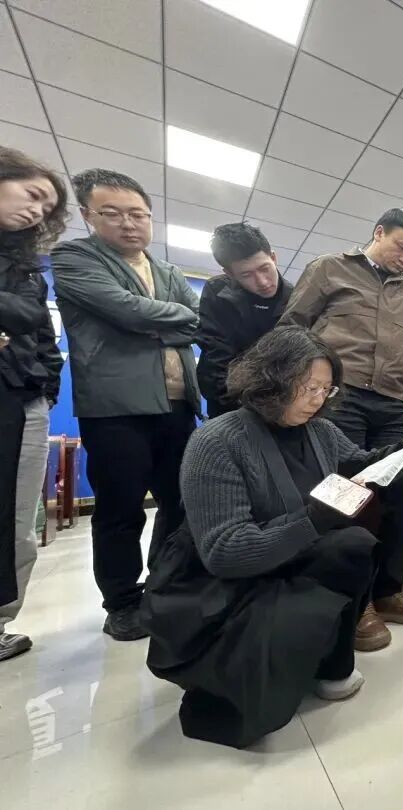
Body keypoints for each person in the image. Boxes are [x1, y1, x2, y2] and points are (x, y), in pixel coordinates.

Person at [143, 326, 403, 748]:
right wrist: (315, 519)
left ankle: (331, 663)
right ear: (272, 379)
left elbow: (358, 463)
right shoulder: (217, 441)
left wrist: (401, 450)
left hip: (289, 552)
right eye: (308, 387)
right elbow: (225, 553)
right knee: (248, 705)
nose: (318, 399)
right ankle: (261, 665)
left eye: (326, 390)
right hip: (224, 584)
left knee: (355, 546)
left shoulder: (320, 431)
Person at [280, 208, 403, 650]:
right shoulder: (329, 268)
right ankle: (351, 603)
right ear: (378, 233)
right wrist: (295, 390)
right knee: (338, 496)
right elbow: (290, 330)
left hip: (390, 404)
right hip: (339, 398)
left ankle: (387, 591)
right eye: (401, 248)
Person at [51, 169, 201, 642]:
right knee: (121, 510)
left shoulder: (168, 272)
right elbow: (126, 310)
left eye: (138, 214)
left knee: (180, 502)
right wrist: (153, 321)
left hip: (178, 404)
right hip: (116, 409)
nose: (128, 223)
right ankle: (121, 602)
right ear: (88, 215)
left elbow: (195, 323)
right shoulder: (73, 257)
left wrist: (147, 324)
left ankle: (165, 582)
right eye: (112, 213)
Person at [0, 147, 65, 663]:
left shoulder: (26, 270)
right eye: (33, 195)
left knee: (17, 519)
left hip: (21, 398)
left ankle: (0, 620)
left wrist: (47, 388)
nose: (36, 212)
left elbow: (34, 327)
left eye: (46, 209)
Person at [195, 222, 293, 418]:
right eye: (246, 274)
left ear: (273, 257)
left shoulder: (297, 299)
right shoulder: (217, 292)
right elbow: (216, 357)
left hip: (278, 406)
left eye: (264, 268)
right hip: (227, 401)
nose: (262, 282)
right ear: (230, 273)